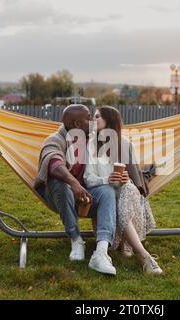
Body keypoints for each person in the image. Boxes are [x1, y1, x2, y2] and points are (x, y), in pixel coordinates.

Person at [34, 104, 119, 275]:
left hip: (87, 196)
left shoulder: (93, 138)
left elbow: (120, 143)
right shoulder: (55, 139)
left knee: (107, 191)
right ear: (77, 125)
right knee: (60, 182)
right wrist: (74, 183)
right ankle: (76, 239)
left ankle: (101, 252)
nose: (92, 121)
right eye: (88, 117)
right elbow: (53, 161)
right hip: (59, 197)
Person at [83, 106, 163, 275]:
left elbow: (136, 179)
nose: (93, 120)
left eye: (97, 116)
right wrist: (107, 180)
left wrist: (126, 179)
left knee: (127, 189)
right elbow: (88, 178)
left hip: (126, 194)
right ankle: (143, 255)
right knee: (114, 194)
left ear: (109, 120)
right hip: (105, 196)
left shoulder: (125, 144)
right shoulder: (90, 145)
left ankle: (142, 255)